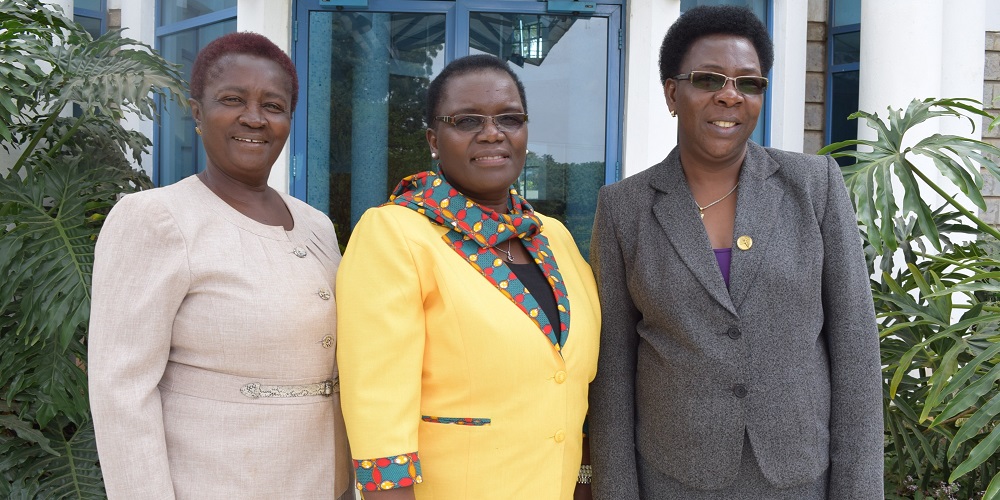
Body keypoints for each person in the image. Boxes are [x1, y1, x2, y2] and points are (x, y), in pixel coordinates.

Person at [587, 6, 882, 499]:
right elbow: (612, 370)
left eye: (749, 83)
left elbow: (854, 348)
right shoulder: (624, 208)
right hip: (673, 479)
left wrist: (858, 490)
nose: (730, 95)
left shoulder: (815, 187)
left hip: (799, 478)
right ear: (671, 93)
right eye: (709, 79)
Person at [88, 32, 351, 499]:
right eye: (233, 99)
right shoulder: (158, 220)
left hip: (319, 481)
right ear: (197, 112)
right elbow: (121, 392)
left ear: (289, 119)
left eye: (273, 106)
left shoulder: (316, 226)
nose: (254, 117)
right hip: (216, 481)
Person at [335, 54, 601, 500]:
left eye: (509, 118)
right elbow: (377, 405)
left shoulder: (553, 236)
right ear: (434, 140)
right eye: (467, 120)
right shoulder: (395, 234)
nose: (492, 133)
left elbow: (570, 383)